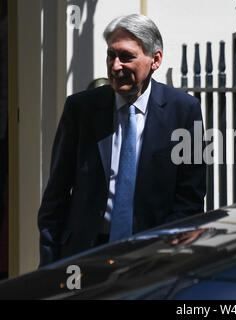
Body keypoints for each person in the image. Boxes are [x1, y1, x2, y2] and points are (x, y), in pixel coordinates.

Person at [38, 14, 206, 267]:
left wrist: (169, 256)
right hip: (84, 255)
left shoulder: (184, 111)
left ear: (155, 60)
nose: (115, 66)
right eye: (111, 55)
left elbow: (190, 198)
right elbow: (56, 195)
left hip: (153, 254)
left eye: (126, 57)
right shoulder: (80, 109)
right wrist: (49, 266)